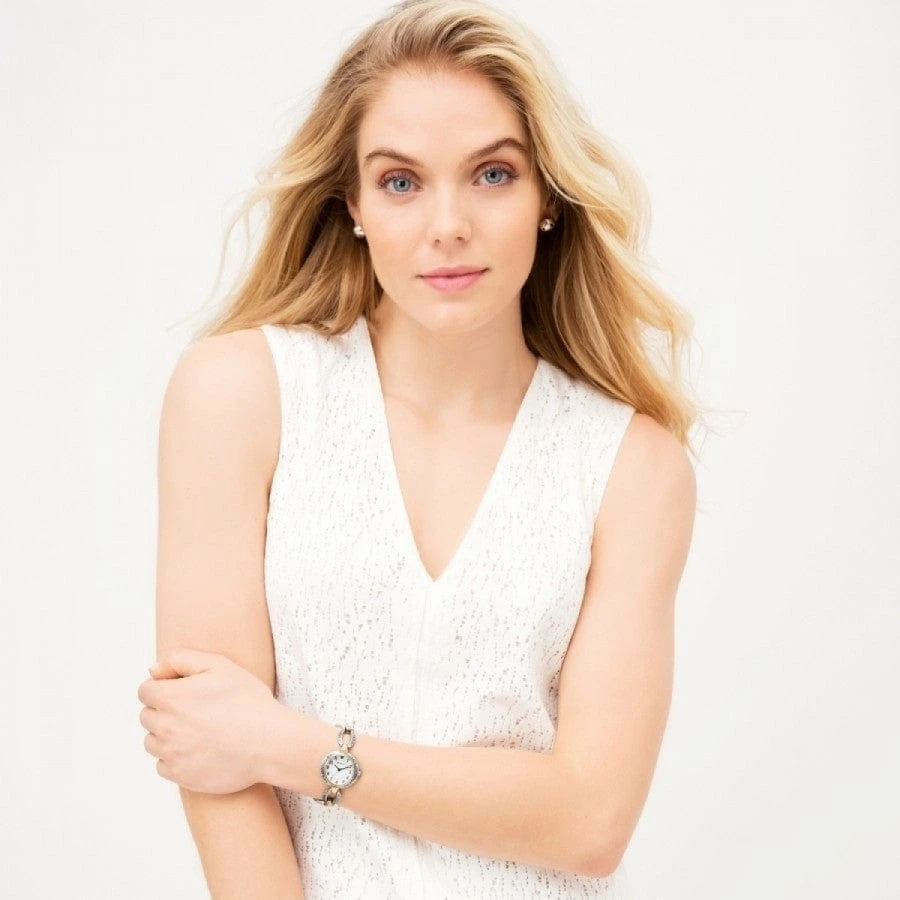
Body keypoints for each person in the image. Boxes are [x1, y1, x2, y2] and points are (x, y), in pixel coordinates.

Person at [137, 0, 701, 896]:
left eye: (492, 174)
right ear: (353, 204)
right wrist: (249, 746)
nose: (448, 225)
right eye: (401, 182)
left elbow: (590, 822)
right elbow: (211, 747)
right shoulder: (241, 395)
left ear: (547, 198)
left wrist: (294, 747)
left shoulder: (633, 467)